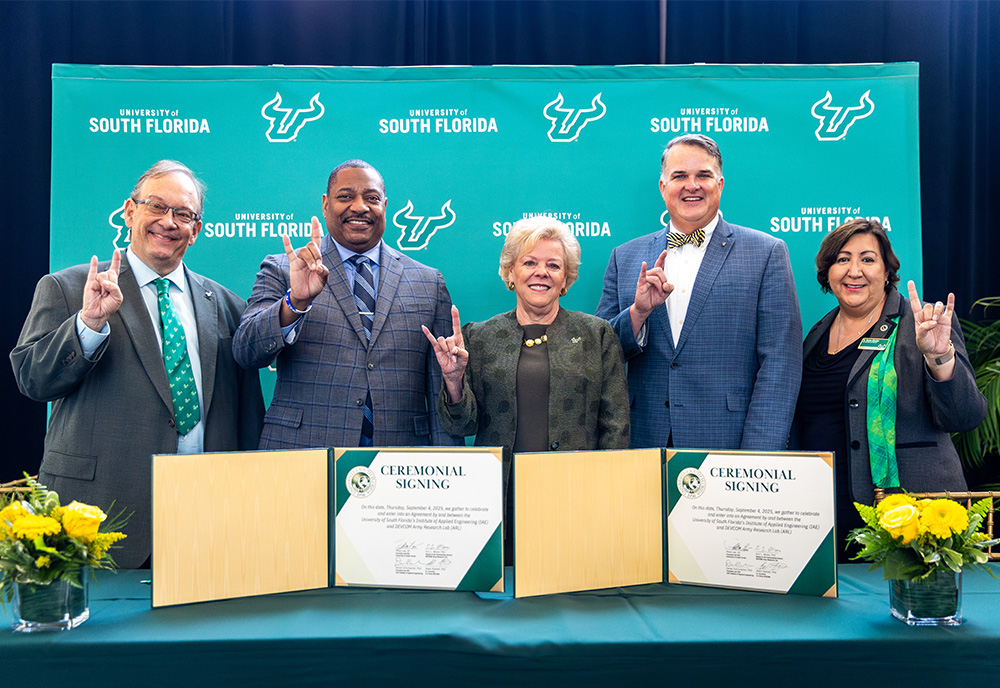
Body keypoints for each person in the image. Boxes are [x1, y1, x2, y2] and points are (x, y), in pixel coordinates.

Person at [10, 160, 265, 568]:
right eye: (156, 207)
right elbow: (33, 380)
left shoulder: (229, 306)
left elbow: (249, 418)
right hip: (99, 513)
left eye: (183, 214)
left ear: (196, 231)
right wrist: (89, 323)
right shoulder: (69, 288)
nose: (169, 221)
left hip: (208, 518)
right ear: (130, 212)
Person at [424, 216, 630, 559]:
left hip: (575, 497)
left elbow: (616, 426)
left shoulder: (597, 335)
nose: (541, 272)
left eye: (553, 265)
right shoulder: (480, 336)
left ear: (566, 278)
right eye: (530, 262)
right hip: (500, 499)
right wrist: (453, 381)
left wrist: (606, 496)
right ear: (510, 273)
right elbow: (462, 425)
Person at [791, 218, 986, 555]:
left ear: (887, 271)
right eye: (842, 259)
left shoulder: (923, 324)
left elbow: (963, 417)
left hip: (911, 514)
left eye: (868, 259)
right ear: (827, 273)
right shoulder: (816, 334)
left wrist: (939, 357)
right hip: (824, 518)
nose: (854, 270)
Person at [596, 134, 802, 451]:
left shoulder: (766, 253)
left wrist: (761, 452)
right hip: (641, 442)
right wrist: (637, 315)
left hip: (729, 443)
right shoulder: (624, 257)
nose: (692, 185)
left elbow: (780, 364)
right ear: (663, 187)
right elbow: (601, 355)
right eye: (680, 176)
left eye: (703, 175)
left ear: (719, 184)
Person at [233, 159, 459, 449]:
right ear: (326, 204)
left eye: (372, 198)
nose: (360, 207)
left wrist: (450, 467)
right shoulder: (284, 269)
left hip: (400, 460)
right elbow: (245, 352)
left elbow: (440, 386)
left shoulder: (428, 282)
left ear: (385, 206)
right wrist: (296, 301)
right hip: (304, 453)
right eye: (346, 196)